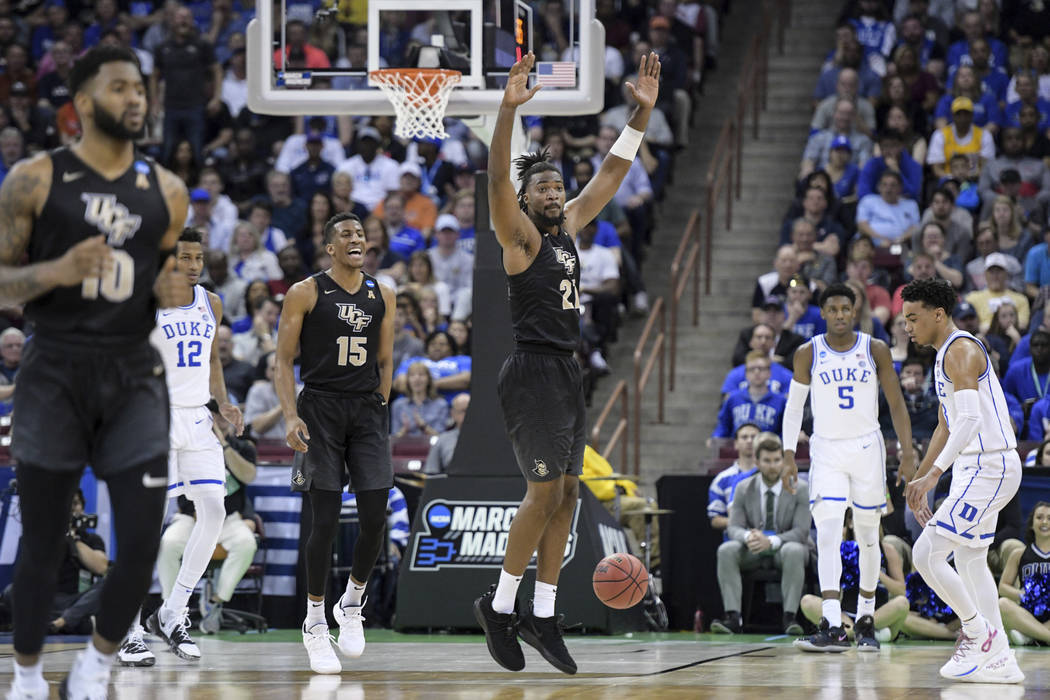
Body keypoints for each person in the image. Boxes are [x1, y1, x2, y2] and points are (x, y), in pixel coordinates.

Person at [0, 45, 189, 699]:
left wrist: (164, 289)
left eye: (140, 87)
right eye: (119, 87)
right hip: (53, 367)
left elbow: (160, 275)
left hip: (133, 372)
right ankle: (26, 675)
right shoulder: (34, 178)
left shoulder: (167, 190)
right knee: (44, 543)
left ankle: (96, 666)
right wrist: (54, 272)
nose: (136, 97)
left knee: (140, 544)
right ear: (83, 102)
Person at [472, 51, 660, 676]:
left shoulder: (568, 229)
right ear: (525, 200)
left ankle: (544, 612)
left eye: (558, 186)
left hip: (566, 372)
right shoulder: (519, 236)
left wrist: (640, 114)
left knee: (571, 493)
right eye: (543, 188)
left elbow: (610, 173)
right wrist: (506, 112)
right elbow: (498, 178)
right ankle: (500, 606)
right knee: (544, 489)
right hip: (530, 370)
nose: (555, 194)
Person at [275, 212, 396, 675]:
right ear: (329, 247)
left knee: (375, 515)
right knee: (323, 523)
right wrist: (290, 414)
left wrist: (379, 403)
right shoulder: (305, 292)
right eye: (346, 234)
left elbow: (386, 358)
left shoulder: (382, 293)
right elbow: (284, 361)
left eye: (361, 234)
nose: (356, 239)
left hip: (365, 410)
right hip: (319, 409)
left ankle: (352, 601)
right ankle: (313, 621)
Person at [120, 228, 244, 665]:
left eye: (198, 257)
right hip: (154, 417)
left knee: (214, 509)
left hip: (196, 416)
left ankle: (171, 613)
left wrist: (223, 403)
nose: (194, 265)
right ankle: (128, 628)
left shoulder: (211, 302)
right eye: (185, 257)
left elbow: (211, 359)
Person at [901, 277, 1025, 683]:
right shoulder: (942, 356)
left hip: (990, 464)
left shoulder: (962, 350)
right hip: (974, 467)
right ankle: (1002, 658)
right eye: (904, 319)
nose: (907, 327)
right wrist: (922, 479)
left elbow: (970, 420)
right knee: (970, 559)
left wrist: (935, 474)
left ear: (939, 314)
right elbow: (944, 424)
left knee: (926, 554)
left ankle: (977, 633)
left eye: (914, 318)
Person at [784, 282, 915, 652]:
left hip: (867, 449)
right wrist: (788, 453)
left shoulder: (875, 350)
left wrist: (906, 453)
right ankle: (831, 623)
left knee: (869, 535)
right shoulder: (807, 353)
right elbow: (794, 409)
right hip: (826, 450)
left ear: (854, 311)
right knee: (826, 533)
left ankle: (867, 619)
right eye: (833, 309)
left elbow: (896, 404)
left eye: (846, 309)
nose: (840, 315)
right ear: (823, 313)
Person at [155, 400, 258, 637]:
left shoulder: (243, 446)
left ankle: (216, 600)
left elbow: (249, 476)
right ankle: (169, 607)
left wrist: (222, 443)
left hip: (229, 518)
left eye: (223, 417)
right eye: (216, 417)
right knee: (168, 544)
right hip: (189, 516)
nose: (219, 423)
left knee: (246, 543)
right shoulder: (185, 442)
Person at [711, 433, 812, 635]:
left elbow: (801, 531)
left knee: (794, 549)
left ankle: (789, 617)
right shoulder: (742, 488)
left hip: (785, 548)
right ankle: (733, 618)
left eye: (777, 460)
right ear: (757, 461)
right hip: (754, 548)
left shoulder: (799, 488)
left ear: (783, 460)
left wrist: (772, 541)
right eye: (767, 460)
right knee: (726, 550)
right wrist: (749, 537)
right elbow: (733, 527)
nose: (772, 465)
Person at [998, 501, 1050, 645]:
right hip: (1028, 612)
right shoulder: (1019, 554)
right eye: (1039, 517)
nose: (1044, 521)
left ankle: (1030, 636)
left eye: (1049, 518)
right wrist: (1023, 595)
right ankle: (1043, 637)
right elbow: (1002, 587)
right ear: (1032, 524)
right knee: (1002, 604)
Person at [712, 352, 787, 439]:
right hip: (738, 450)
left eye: (761, 368)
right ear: (746, 373)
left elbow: (785, 430)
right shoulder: (733, 399)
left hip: (768, 449)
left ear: (769, 373)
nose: (756, 372)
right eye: (752, 369)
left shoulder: (781, 401)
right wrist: (716, 438)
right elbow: (723, 426)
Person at [707, 424, 760, 531]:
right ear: (735, 444)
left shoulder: (771, 474)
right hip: (735, 539)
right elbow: (715, 519)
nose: (749, 441)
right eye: (744, 437)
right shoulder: (722, 479)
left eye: (754, 437)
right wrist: (740, 523)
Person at [423, 392, 470, 475]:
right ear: (453, 414)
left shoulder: (487, 439)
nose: (468, 414)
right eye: (463, 411)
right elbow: (431, 474)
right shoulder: (443, 439)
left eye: (471, 410)